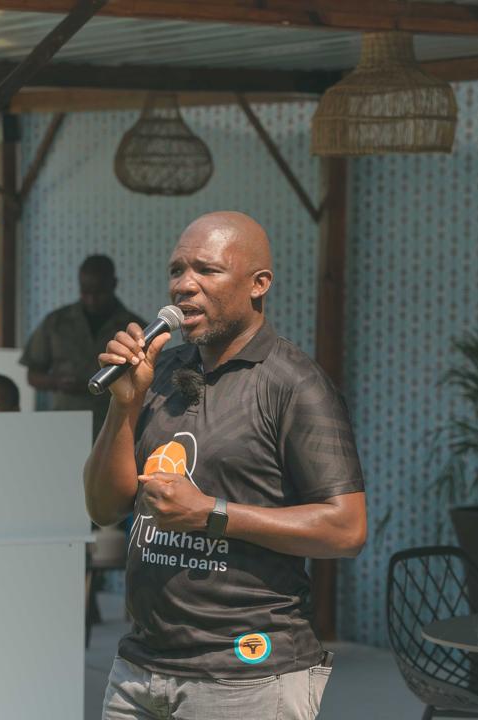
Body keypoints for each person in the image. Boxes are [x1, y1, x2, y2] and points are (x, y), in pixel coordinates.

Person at [84, 212, 367, 719]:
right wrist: (125, 404)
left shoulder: (294, 384)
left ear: (259, 284)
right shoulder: (160, 372)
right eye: (177, 270)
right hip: (141, 669)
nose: (184, 285)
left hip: (246, 674)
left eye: (207, 270)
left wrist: (211, 514)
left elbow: (346, 530)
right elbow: (104, 508)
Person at [21, 255, 144, 437]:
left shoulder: (134, 329)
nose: (91, 299)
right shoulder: (56, 322)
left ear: (113, 284)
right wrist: (57, 382)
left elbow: (144, 383)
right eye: (85, 291)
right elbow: (32, 375)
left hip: (114, 427)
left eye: (99, 292)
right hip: (64, 426)